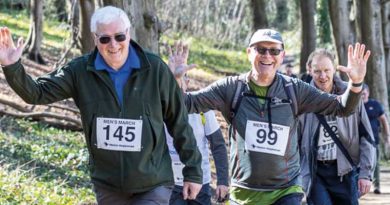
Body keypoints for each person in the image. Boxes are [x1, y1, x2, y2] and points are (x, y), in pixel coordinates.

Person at [0, 6, 203, 204]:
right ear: (95, 39)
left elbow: (179, 121)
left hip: (153, 181)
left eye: (119, 37)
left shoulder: (154, 69)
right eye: (105, 38)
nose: (113, 44)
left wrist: (193, 171)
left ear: (128, 34)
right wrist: (11, 66)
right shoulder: (79, 71)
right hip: (109, 184)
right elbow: (37, 93)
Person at [168, 29, 371, 204]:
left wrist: (356, 83)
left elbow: (341, 108)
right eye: (261, 50)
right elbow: (186, 104)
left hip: (286, 189)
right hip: (244, 191)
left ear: (282, 56)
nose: (267, 56)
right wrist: (175, 81)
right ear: (249, 52)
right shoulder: (231, 88)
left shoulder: (295, 90)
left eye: (274, 51)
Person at [299, 49, 376, 205]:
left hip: (345, 172)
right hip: (316, 172)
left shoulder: (352, 93)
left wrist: (365, 174)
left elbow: (366, 136)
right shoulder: (302, 97)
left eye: (327, 70)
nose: (323, 76)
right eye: (317, 71)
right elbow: (294, 142)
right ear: (310, 70)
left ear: (334, 68)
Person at [166, 74, 229, 205]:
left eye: (179, 80)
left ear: (187, 82)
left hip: (201, 182)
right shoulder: (160, 106)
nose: (175, 85)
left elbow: (218, 145)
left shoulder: (202, 108)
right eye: (172, 80)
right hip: (169, 183)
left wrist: (222, 181)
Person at [362, 83, 390, 194]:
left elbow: (384, 121)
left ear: (368, 93)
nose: (363, 95)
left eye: (364, 93)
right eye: (361, 93)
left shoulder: (375, 104)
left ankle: (377, 186)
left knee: (375, 163)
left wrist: (387, 136)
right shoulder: (355, 105)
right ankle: (358, 185)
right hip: (357, 141)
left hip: (373, 140)